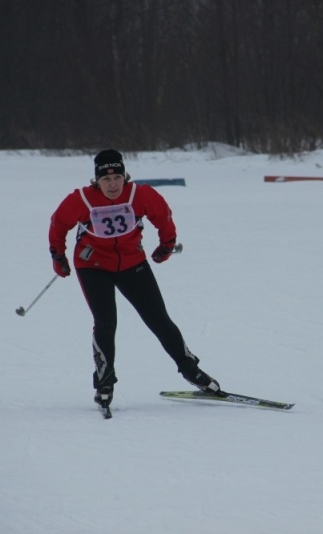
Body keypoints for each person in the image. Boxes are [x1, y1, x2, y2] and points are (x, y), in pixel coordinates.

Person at [48, 149, 220, 410]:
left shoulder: (140, 195)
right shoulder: (81, 199)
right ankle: (105, 381)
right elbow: (58, 223)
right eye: (106, 179)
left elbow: (163, 215)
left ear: (125, 176)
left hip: (132, 263)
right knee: (105, 322)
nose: (113, 184)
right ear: (96, 180)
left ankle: (191, 370)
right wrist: (58, 255)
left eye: (118, 177)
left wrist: (166, 245)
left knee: (158, 319)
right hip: (93, 265)